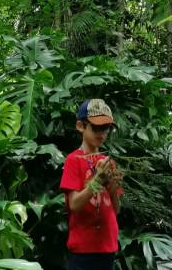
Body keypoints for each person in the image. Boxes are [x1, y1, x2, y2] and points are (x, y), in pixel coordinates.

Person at [60, 99, 124, 270]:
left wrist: (112, 188)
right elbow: (74, 205)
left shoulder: (108, 162)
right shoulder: (73, 160)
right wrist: (97, 182)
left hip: (107, 245)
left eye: (106, 128)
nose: (101, 133)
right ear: (81, 126)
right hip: (83, 248)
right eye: (96, 127)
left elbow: (116, 209)